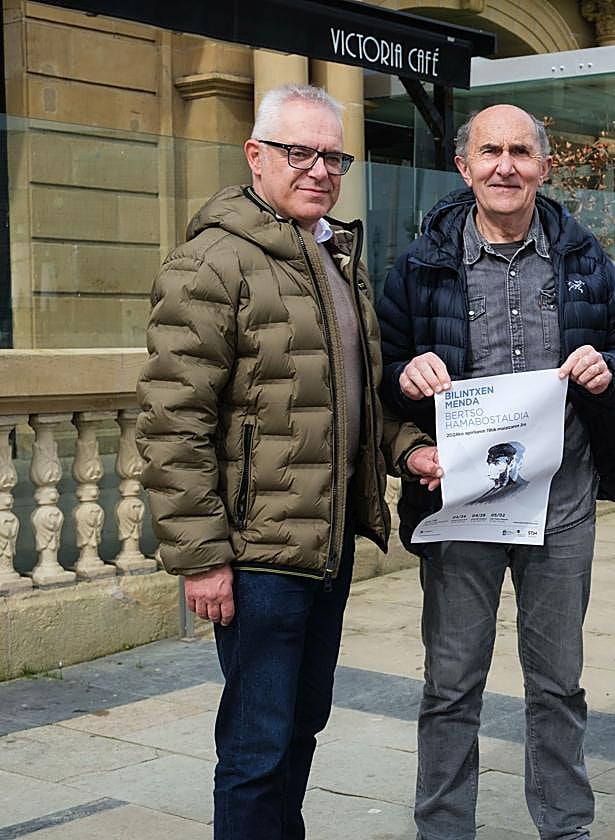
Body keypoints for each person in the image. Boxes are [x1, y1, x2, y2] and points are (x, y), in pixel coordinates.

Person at [136, 84, 434, 839]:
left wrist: (409, 449)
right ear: (257, 156)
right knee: (256, 745)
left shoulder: (337, 255)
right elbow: (175, 422)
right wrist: (201, 557)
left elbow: (357, 397)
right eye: (300, 152)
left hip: (322, 547)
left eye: (334, 155)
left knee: (301, 726)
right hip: (257, 553)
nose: (319, 169)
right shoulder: (211, 262)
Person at [376, 103, 615, 840]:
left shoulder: (583, 258)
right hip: (462, 508)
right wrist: (405, 377)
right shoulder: (419, 266)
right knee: (450, 686)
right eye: (490, 153)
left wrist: (610, 370)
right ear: (464, 166)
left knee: (557, 685)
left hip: (561, 502)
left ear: (543, 166)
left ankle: (566, 827)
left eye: (520, 152)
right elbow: (380, 371)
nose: (504, 166)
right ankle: (444, 831)